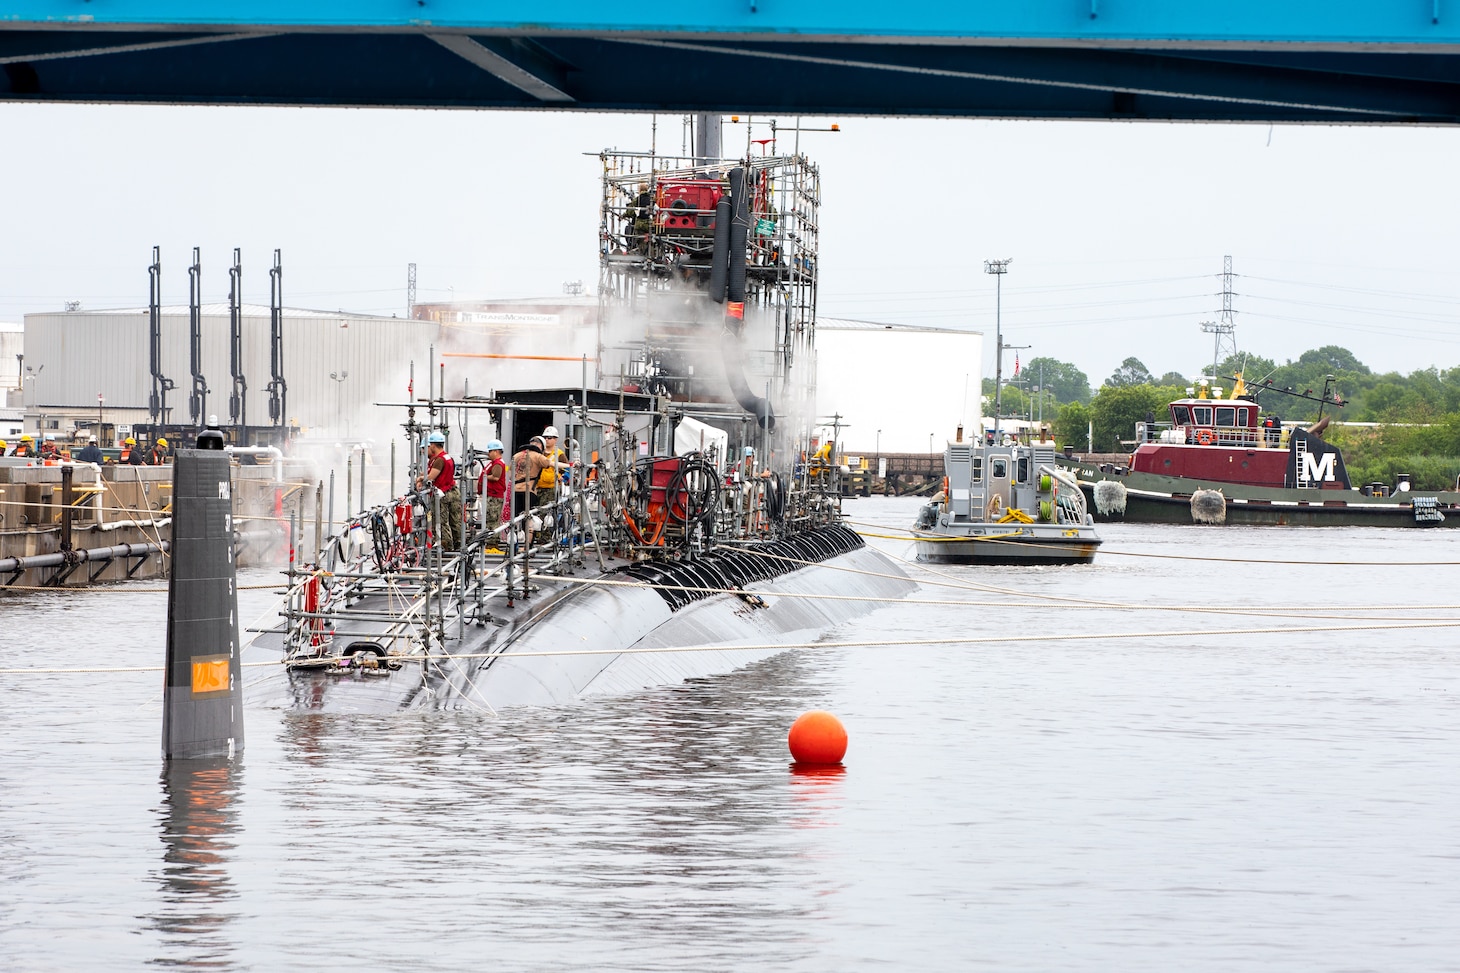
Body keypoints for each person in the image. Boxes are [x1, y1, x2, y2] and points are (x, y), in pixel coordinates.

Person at [415, 432, 460, 552]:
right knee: (455, 521)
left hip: (442, 493)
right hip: (451, 491)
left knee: (441, 521)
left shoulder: (439, 460)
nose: (424, 451)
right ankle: (458, 545)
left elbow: (431, 476)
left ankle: (447, 547)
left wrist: (419, 479)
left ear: (433, 446)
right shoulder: (447, 457)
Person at [476, 439, 508, 532]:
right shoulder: (494, 462)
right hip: (491, 494)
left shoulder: (498, 463)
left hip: (494, 495)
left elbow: (496, 477)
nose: (488, 454)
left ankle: (492, 542)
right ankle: (490, 540)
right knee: (489, 518)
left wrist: (485, 477)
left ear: (496, 451)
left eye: (490, 451)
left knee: (492, 520)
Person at [534, 425, 571, 495]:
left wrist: (563, 478)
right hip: (537, 487)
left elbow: (568, 469)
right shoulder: (538, 453)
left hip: (552, 489)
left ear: (555, 439)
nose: (546, 439)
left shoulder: (559, 454)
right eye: (545, 437)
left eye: (549, 438)